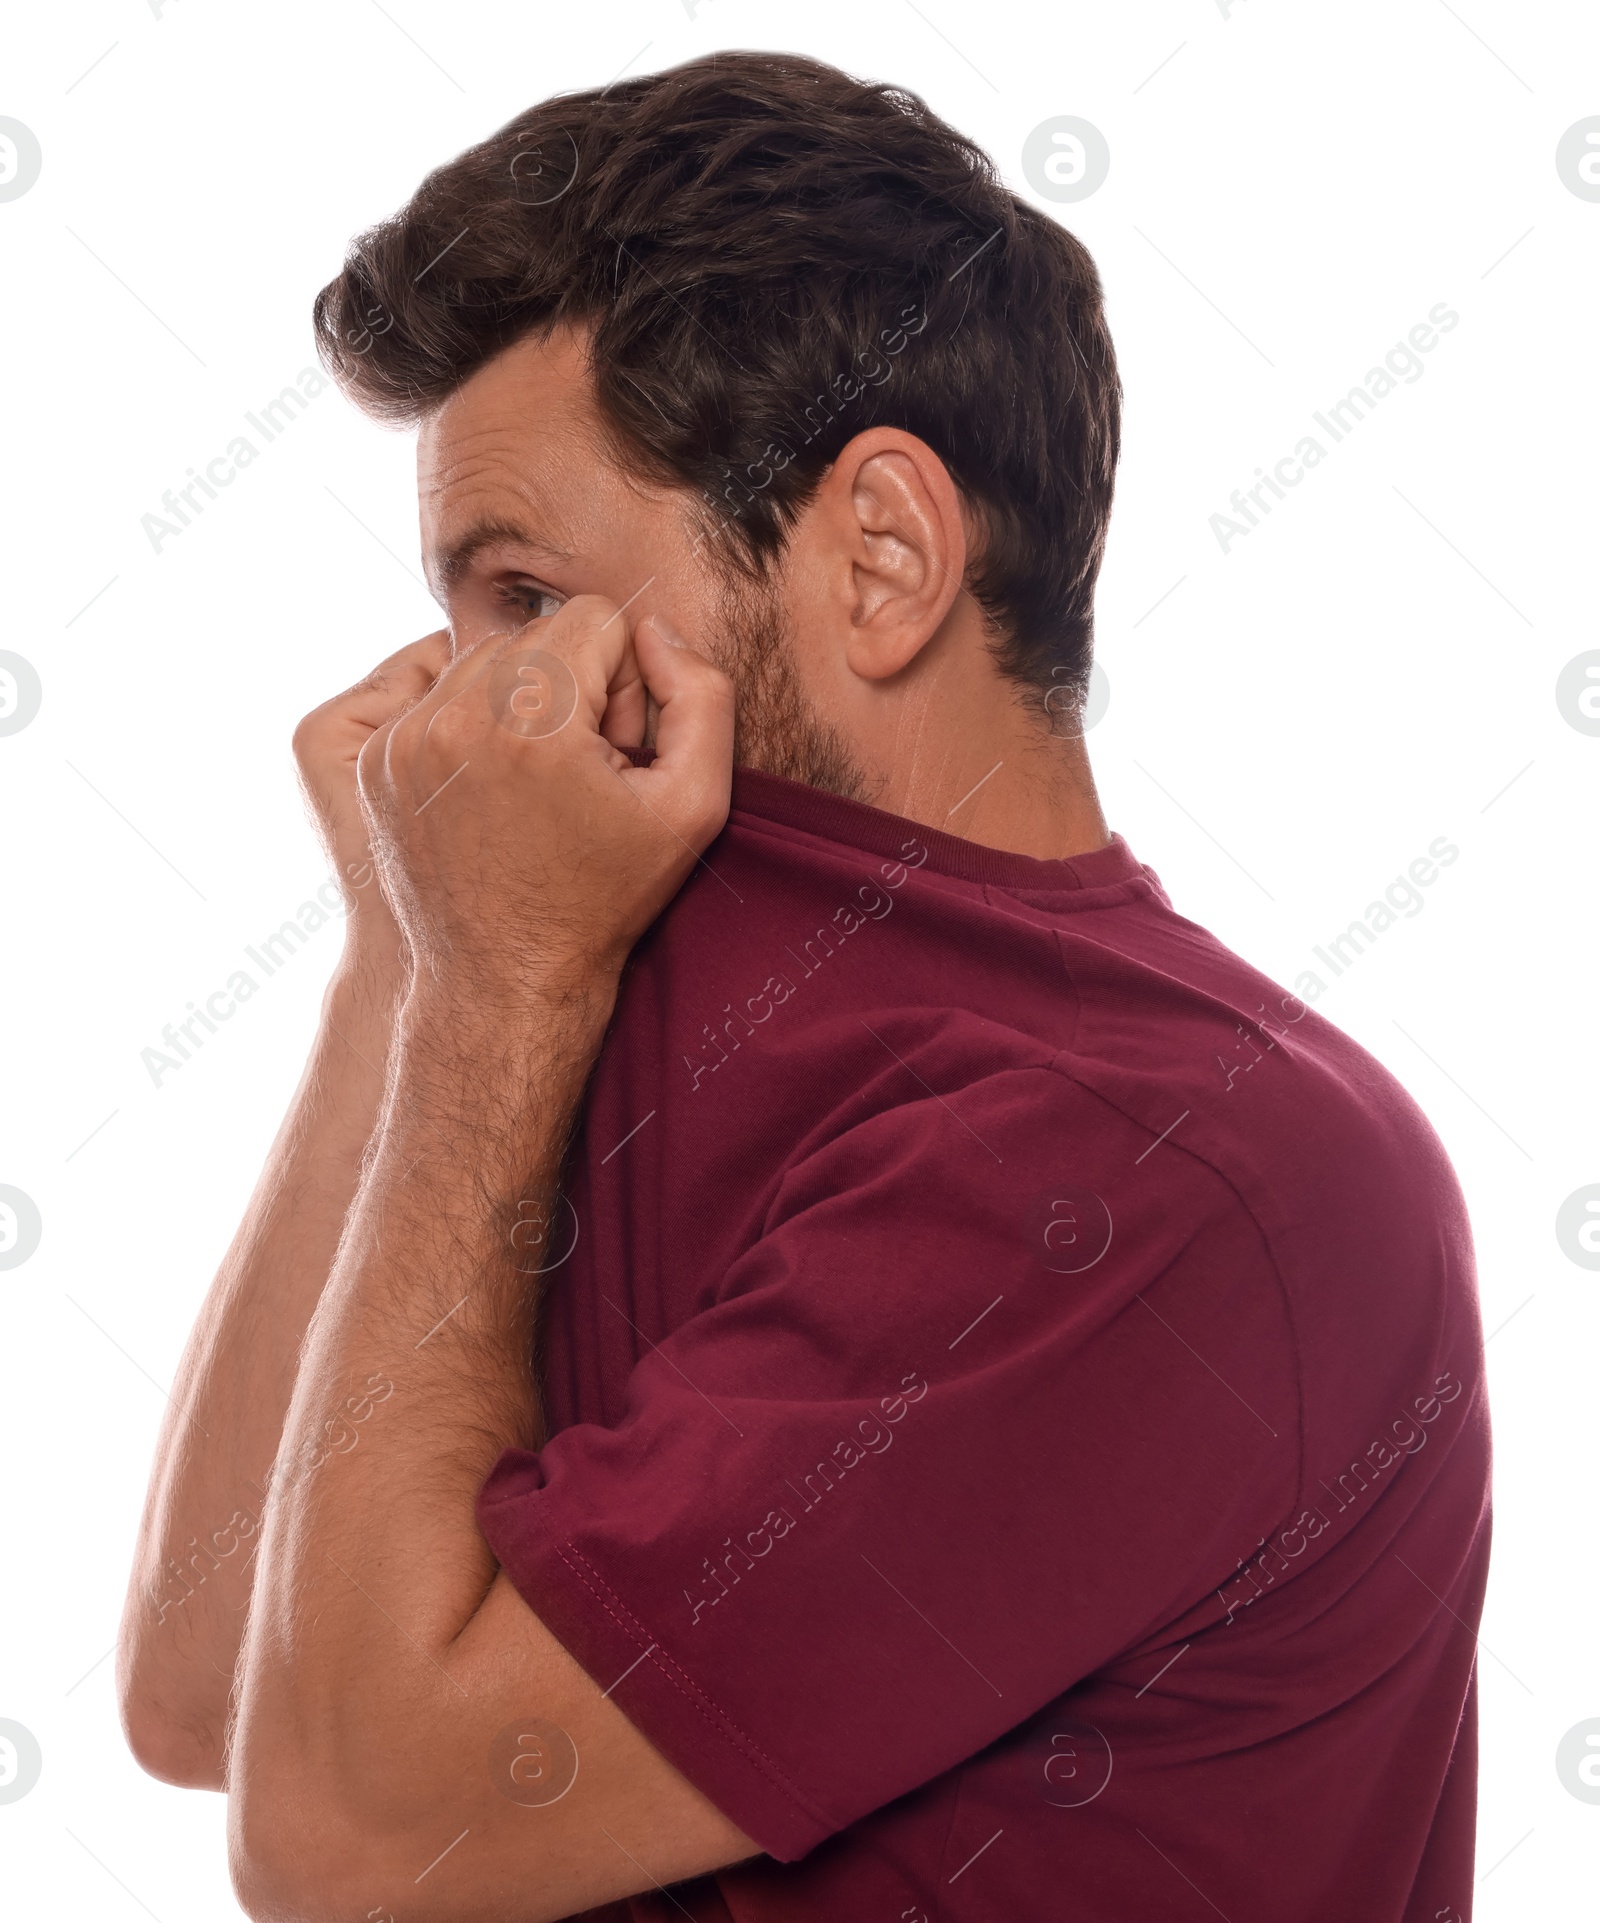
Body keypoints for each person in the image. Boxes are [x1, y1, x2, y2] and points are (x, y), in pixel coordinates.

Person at [116, 50, 1490, 1923]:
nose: (447, 720)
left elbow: (353, 1844)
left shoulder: (1162, 1154)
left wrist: (486, 981)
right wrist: (408, 956)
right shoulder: (563, 1013)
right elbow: (208, 1691)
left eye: (519, 598)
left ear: (883, 557)